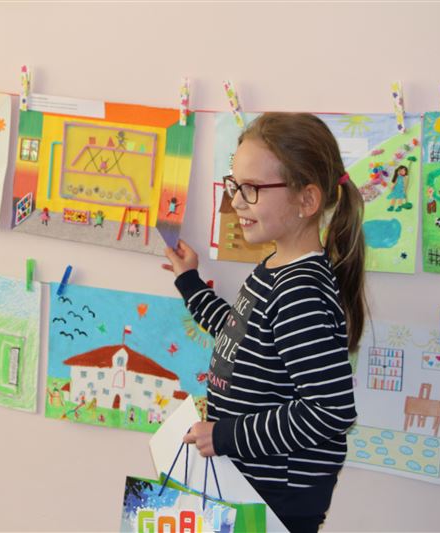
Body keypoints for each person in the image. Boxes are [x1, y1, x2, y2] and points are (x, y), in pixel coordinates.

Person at [163, 112, 363, 533]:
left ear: (306, 201)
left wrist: (224, 436)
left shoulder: (300, 291)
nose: (235, 202)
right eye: (235, 185)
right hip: (250, 488)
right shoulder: (275, 269)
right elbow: (238, 332)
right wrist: (189, 281)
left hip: (278, 501)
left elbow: (329, 411)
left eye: (251, 189)